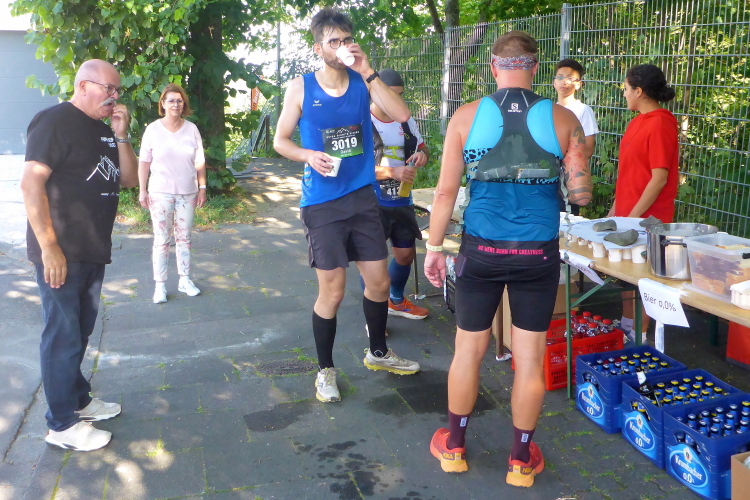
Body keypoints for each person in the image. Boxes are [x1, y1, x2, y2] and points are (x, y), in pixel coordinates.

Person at [423, 31, 591, 487]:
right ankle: (520, 461)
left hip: (481, 250)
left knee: (468, 349)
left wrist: (434, 248)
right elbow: (581, 192)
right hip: (537, 253)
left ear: (494, 67)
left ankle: (454, 447)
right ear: (535, 68)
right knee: (530, 358)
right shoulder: (563, 118)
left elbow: (445, 193)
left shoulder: (465, 116)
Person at [273, 7, 420, 403]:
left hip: (363, 198)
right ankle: (325, 371)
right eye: (333, 41)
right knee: (333, 292)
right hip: (322, 204)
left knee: (379, 282)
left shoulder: (362, 82)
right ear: (318, 48)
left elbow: (402, 114)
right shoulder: (301, 88)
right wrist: (307, 155)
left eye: (346, 39)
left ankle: (378, 353)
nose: (341, 46)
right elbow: (280, 140)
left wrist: (368, 69)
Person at [20, 59, 138, 451]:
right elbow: (30, 183)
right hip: (62, 251)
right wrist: (49, 247)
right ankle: (61, 425)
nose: (114, 96)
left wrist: (122, 135)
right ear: (84, 85)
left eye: (117, 90)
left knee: (81, 329)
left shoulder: (104, 129)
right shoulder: (53, 121)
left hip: (92, 248)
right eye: (108, 89)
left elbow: (128, 178)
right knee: (63, 334)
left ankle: (78, 400)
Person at [608, 64, 678, 342]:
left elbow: (659, 178)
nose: (624, 94)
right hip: (628, 214)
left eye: (626, 89)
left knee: (642, 278)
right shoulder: (636, 121)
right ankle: (627, 325)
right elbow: (628, 174)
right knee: (625, 274)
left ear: (639, 91)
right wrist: (614, 211)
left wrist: (633, 217)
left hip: (648, 218)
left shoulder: (661, 123)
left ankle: (640, 335)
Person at [369, 68, 430, 321]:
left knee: (405, 255)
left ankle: (396, 300)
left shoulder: (406, 120)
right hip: (371, 201)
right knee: (372, 263)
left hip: (402, 198)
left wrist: (421, 156)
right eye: (389, 95)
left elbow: (423, 149)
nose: (395, 101)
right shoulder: (361, 121)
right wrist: (391, 172)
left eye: (400, 95)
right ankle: (375, 316)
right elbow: (353, 168)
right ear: (375, 92)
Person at [138, 83, 207, 304]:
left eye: (179, 101)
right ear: (163, 103)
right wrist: (142, 190)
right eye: (171, 101)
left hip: (188, 192)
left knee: (184, 238)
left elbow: (200, 161)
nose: (175, 104)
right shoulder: (152, 129)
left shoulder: (192, 129)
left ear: (183, 104)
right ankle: (160, 285)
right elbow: (144, 162)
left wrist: (202, 187)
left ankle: (184, 280)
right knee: (161, 239)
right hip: (160, 192)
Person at [553, 58, 599, 216]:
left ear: (579, 84)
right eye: (560, 77)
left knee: (567, 220)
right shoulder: (549, 110)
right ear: (554, 82)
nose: (564, 81)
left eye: (570, 78)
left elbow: (588, 149)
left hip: (569, 179)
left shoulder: (583, 110)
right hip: (548, 177)